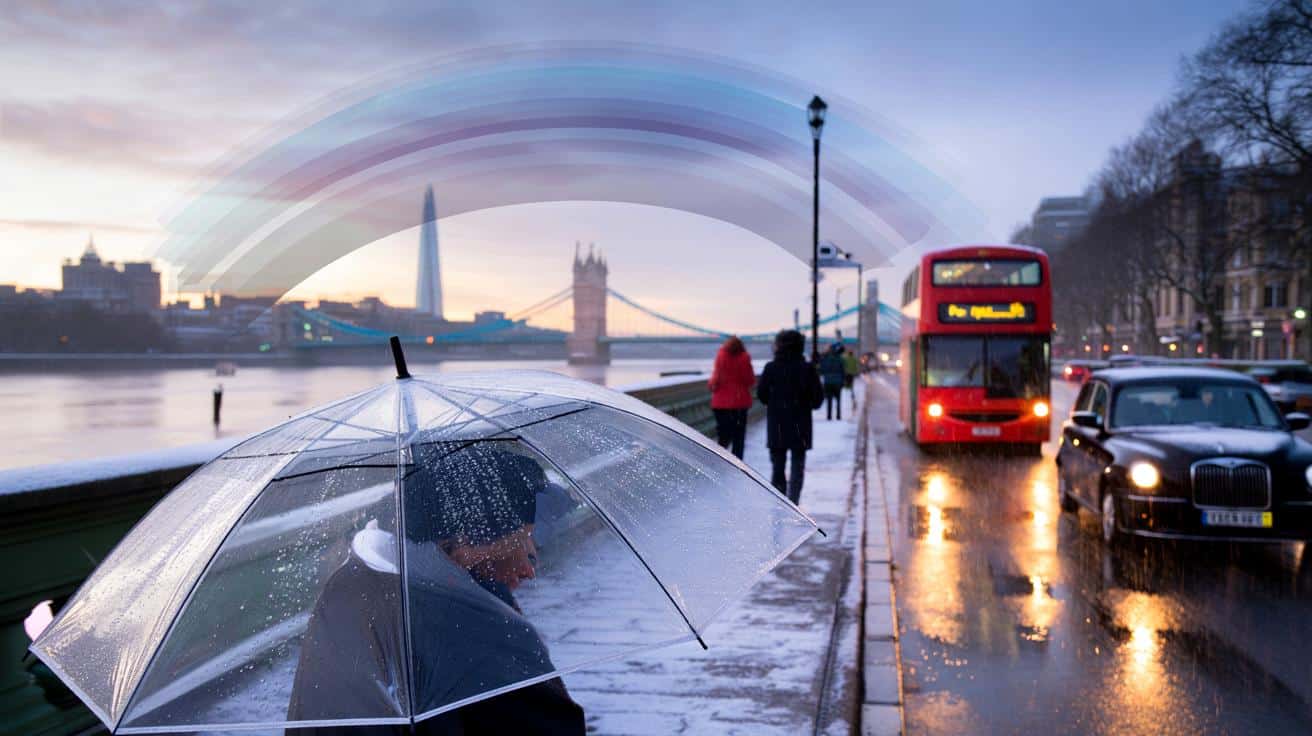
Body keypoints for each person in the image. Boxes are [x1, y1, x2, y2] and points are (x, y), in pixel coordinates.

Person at [287, 442, 585, 735]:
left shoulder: (348, 587)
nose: (528, 567)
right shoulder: (470, 630)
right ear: (464, 541)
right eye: (519, 542)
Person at [756, 329, 823, 504]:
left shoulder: (771, 368)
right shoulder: (808, 369)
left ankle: (780, 504)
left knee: (777, 467)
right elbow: (817, 400)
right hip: (800, 425)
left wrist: (776, 403)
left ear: (779, 346)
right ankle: (794, 503)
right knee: (797, 467)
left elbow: (762, 395)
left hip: (777, 424)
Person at [708, 335, 755, 459]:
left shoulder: (721, 356)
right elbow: (749, 380)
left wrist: (712, 385)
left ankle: (720, 462)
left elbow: (715, 380)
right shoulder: (745, 358)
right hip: (739, 404)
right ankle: (737, 466)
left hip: (720, 404)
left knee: (723, 436)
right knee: (738, 438)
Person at [818, 343, 847, 421]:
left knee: (829, 400)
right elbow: (843, 371)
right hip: (838, 381)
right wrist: (843, 380)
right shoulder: (840, 359)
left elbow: (821, 370)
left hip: (828, 381)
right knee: (838, 400)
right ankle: (838, 416)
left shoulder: (825, 359)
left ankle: (829, 416)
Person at [842, 346, 860, 413]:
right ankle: (851, 392)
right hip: (852, 373)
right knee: (851, 383)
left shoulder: (846, 359)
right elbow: (856, 366)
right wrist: (856, 372)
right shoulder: (854, 359)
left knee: (847, 383)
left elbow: (844, 366)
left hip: (847, 373)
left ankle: (848, 390)